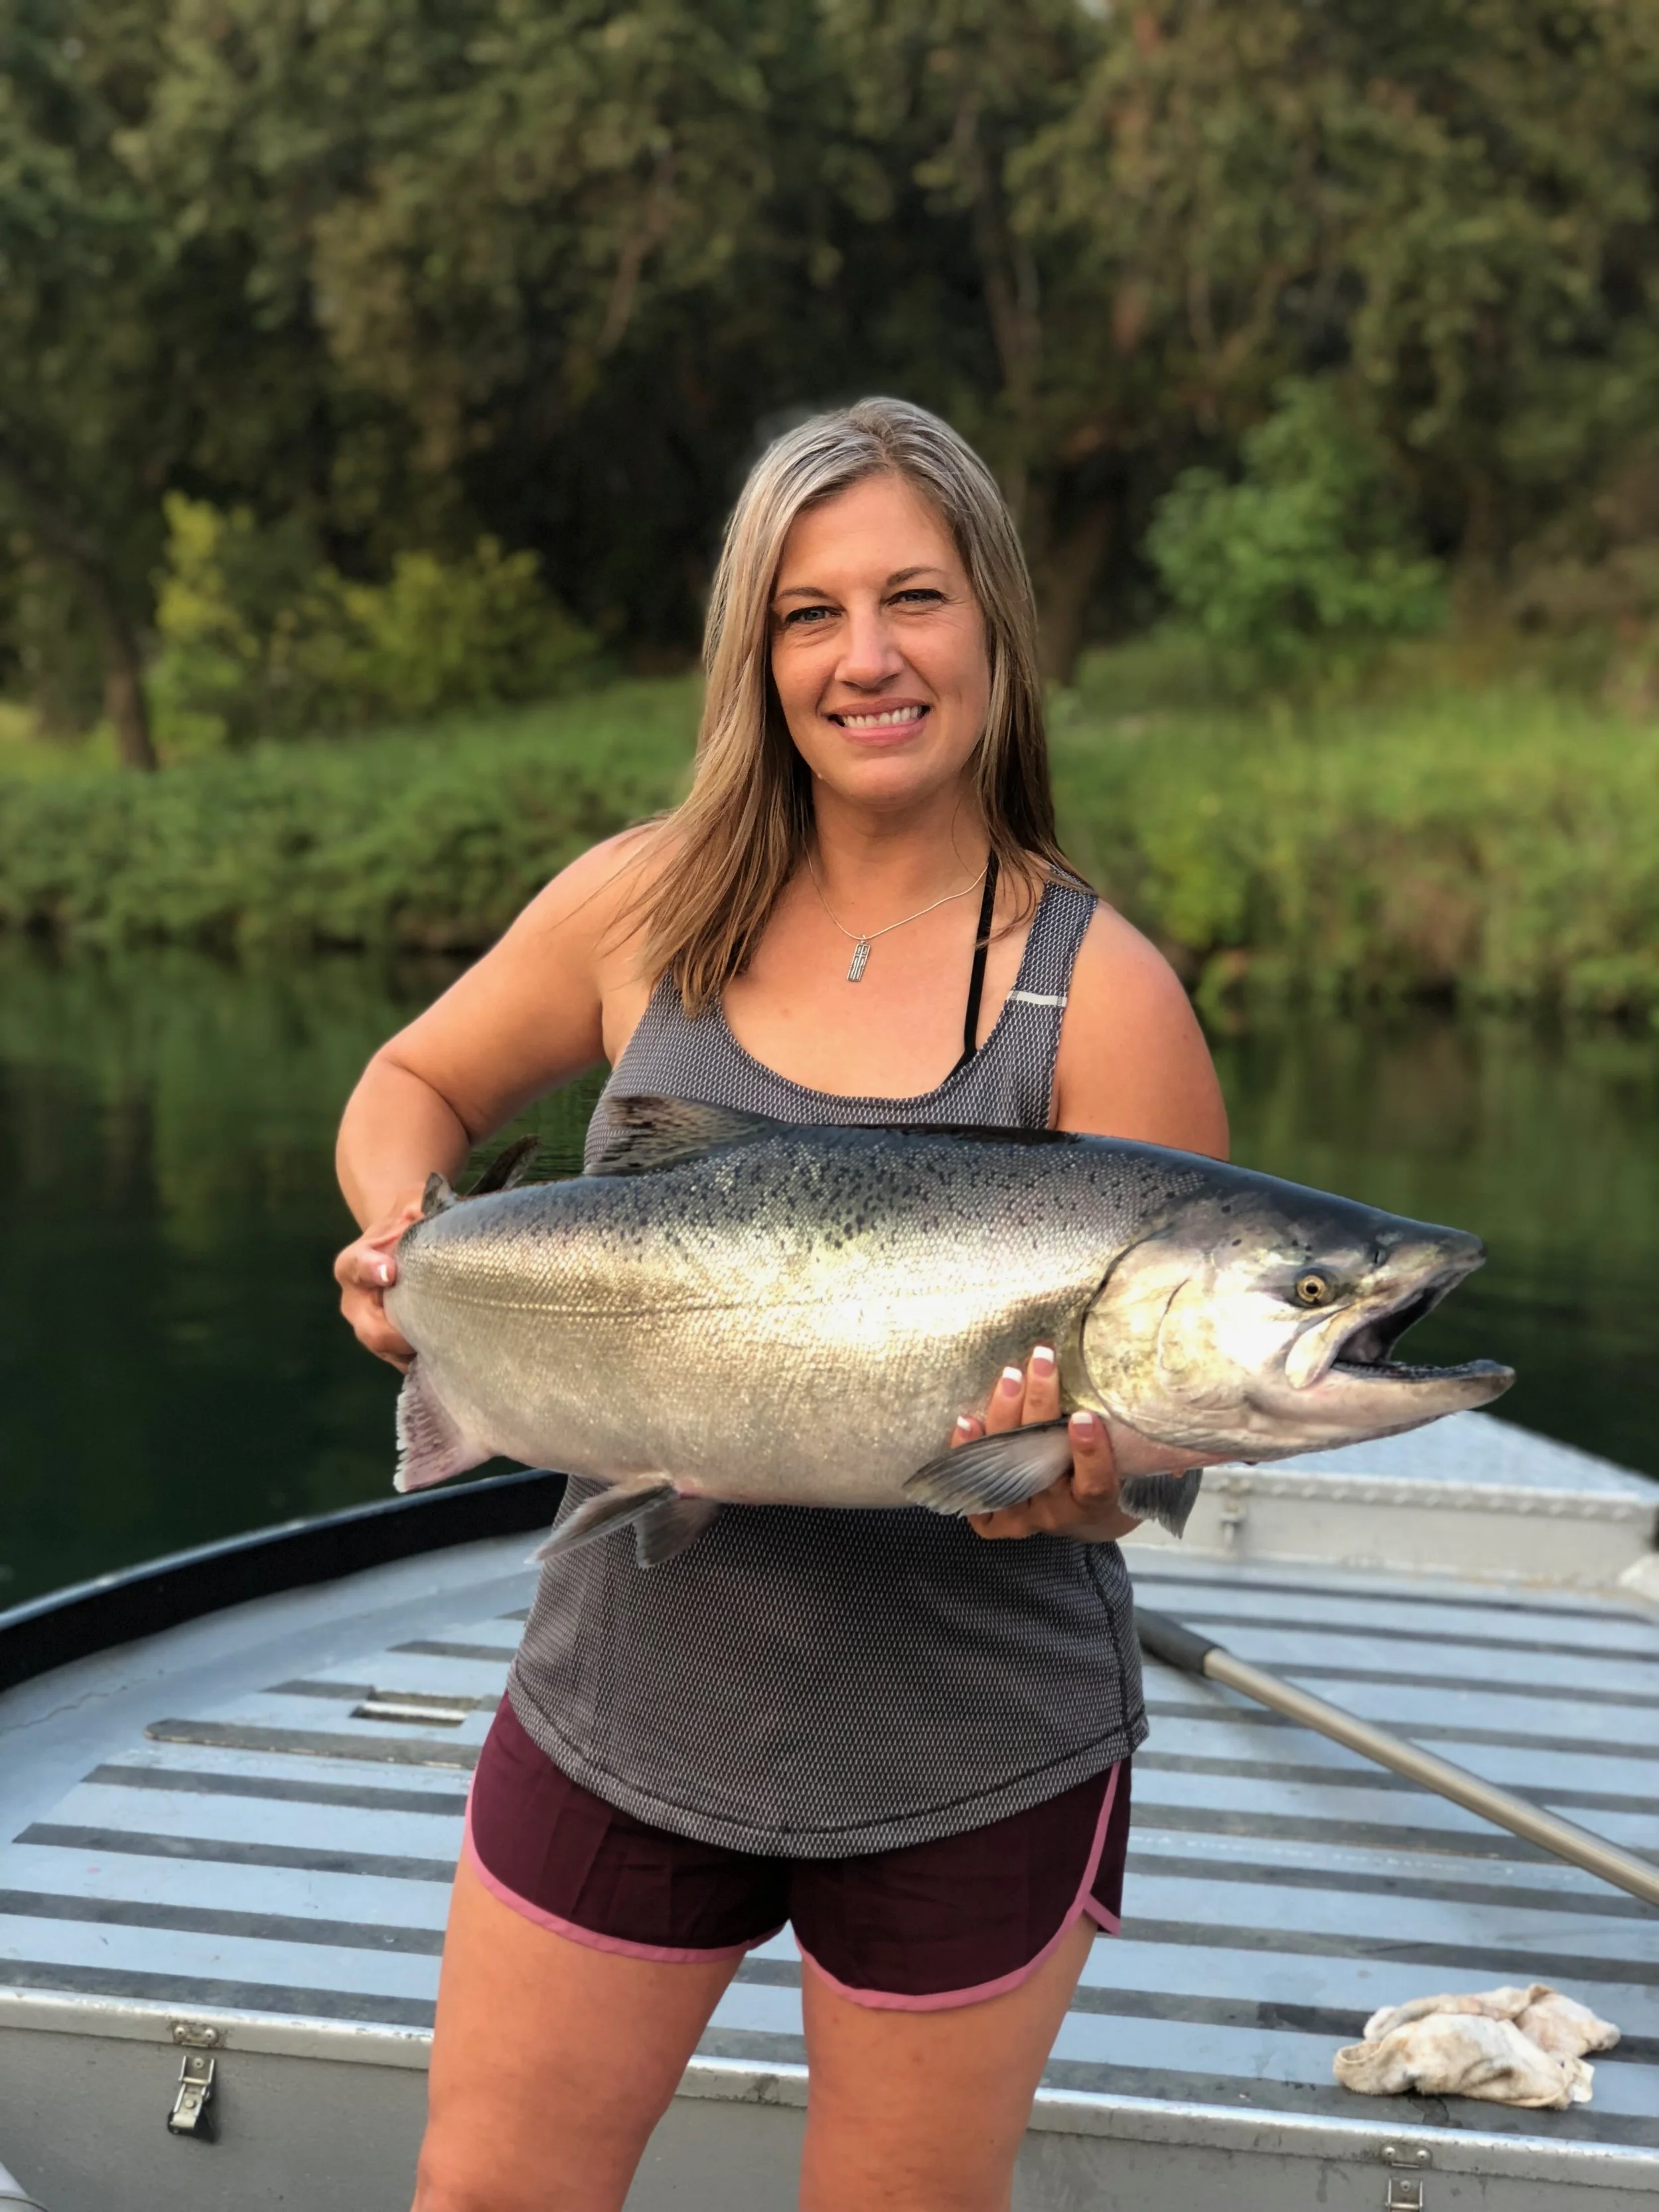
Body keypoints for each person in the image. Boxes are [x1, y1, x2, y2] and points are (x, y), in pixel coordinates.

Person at [334, 397, 1228, 2212]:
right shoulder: (637, 903)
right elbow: (403, 1087)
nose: (867, 655)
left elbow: (1153, 1447)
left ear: (994, 625)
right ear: (757, 651)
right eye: (810, 611)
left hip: (973, 1755)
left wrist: (1093, 1475)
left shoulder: (1103, 997)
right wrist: (398, 1241)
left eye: (913, 597)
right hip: (624, 1699)